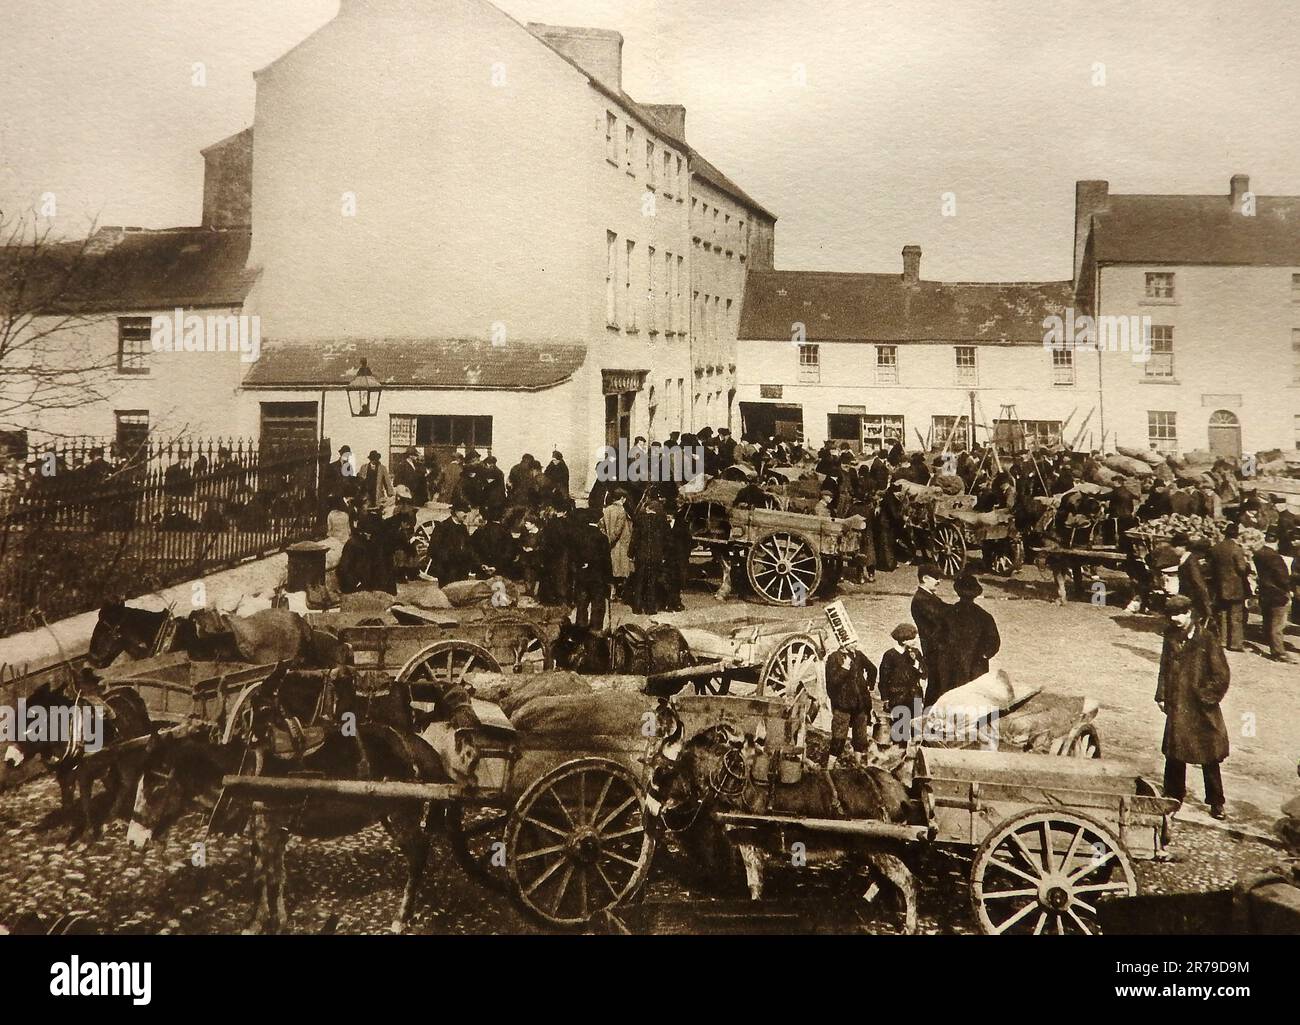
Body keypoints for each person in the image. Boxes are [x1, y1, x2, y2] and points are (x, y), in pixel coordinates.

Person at [1156, 595, 1230, 820]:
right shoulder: (1170, 636)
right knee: (1175, 753)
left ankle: (1216, 801)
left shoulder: (1207, 639)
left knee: (1209, 756)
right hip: (1178, 704)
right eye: (1171, 615)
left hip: (1200, 709)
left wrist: (1205, 697)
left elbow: (1221, 675)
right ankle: (1173, 796)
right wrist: (1161, 695)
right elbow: (1164, 667)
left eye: (1179, 614)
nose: (1175, 619)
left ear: (1189, 613)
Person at [824, 639, 878, 768]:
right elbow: (832, 682)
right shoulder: (834, 658)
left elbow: (873, 669)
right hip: (843, 704)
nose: (855, 645)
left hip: (860, 703)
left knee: (860, 736)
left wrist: (870, 685)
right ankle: (830, 766)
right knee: (839, 736)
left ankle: (857, 764)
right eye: (851, 642)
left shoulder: (858, 655)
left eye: (855, 642)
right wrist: (845, 668)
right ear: (843, 643)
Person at [946, 573, 1001, 690]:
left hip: (954, 665)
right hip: (977, 666)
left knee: (956, 697)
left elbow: (940, 637)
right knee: (976, 699)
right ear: (975, 595)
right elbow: (994, 642)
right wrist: (984, 656)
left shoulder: (949, 613)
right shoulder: (985, 616)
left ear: (958, 592)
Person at [877, 623, 926, 746]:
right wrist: (886, 699)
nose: (915, 641)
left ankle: (914, 756)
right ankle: (899, 755)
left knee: (917, 729)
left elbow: (924, 673)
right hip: (898, 697)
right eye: (912, 638)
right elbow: (883, 679)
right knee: (900, 732)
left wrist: (915, 662)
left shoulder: (915, 653)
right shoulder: (890, 655)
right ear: (903, 640)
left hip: (915, 696)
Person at [911, 563, 951, 705]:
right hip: (934, 648)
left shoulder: (929, 596)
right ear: (925, 578)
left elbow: (945, 607)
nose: (939, 581)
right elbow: (941, 616)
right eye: (936, 578)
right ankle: (929, 713)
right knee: (937, 684)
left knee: (939, 683)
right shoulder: (921, 600)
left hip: (937, 647)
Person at [1253, 533, 1296, 663]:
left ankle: (1270, 642)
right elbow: (1282, 577)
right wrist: (1290, 589)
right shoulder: (1275, 557)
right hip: (1278, 594)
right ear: (1276, 541)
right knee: (1278, 624)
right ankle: (1279, 652)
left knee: (1268, 619)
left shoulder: (1259, 554)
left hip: (1265, 592)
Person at [1207, 524, 1250, 651]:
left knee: (1223, 614)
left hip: (1220, 585)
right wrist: (1248, 567)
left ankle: (1223, 641)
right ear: (1236, 535)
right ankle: (1235, 644)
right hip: (1235, 587)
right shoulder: (1236, 549)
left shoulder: (1216, 548)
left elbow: (1212, 567)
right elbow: (1242, 568)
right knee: (1236, 616)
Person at [570, 509, 614, 631]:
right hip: (598, 577)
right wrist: (610, 580)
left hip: (582, 576)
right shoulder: (602, 538)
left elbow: (573, 555)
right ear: (598, 520)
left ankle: (580, 627)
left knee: (582, 603)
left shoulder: (578, 536)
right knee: (598, 604)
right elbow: (606, 560)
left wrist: (581, 564)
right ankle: (595, 629)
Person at [629, 490, 669, 615]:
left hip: (641, 554)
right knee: (652, 581)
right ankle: (650, 608)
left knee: (639, 580)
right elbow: (666, 538)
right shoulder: (662, 520)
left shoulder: (640, 519)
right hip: (656, 554)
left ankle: (637, 607)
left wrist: (631, 553)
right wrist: (664, 553)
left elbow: (635, 538)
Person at [1169, 532, 1213, 624]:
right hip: (1188, 596)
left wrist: (1205, 601)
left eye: (1174, 547)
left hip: (1193, 597)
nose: (1173, 550)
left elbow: (1198, 581)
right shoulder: (1186, 559)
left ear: (1182, 547)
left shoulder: (1190, 561)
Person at [426, 502, 475, 584]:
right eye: (464, 511)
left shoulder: (463, 528)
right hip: (447, 572)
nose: (466, 514)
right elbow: (432, 550)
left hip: (462, 573)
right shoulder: (442, 527)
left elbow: (468, 548)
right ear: (455, 512)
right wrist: (449, 559)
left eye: (467, 512)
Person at [600, 488, 633, 597]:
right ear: (622, 498)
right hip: (619, 545)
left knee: (612, 570)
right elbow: (618, 530)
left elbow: (602, 526)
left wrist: (605, 540)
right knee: (621, 571)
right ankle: (619, 593)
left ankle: (612, 592)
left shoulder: (607, 510)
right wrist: (610, 540)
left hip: (610, 546)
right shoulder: (621, 511)